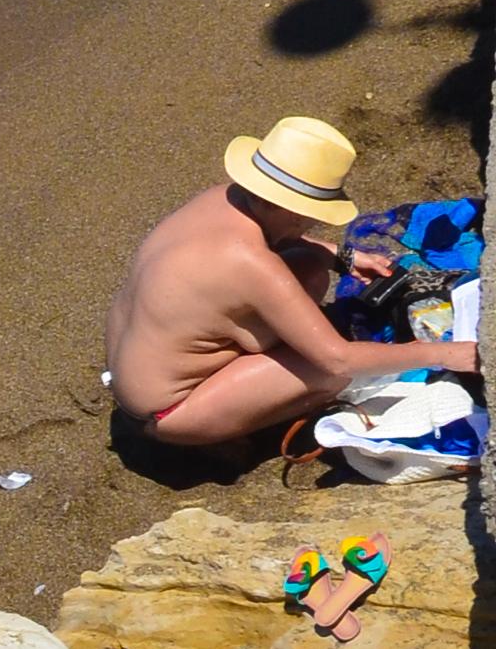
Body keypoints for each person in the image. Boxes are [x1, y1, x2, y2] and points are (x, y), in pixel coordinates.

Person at [107, 117, 479, 455]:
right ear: (287, 207)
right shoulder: (251, 264)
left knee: (311, 268)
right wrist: (443, 354)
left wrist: (343, 256)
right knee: (331, 373)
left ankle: (235, 399)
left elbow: (280, 243)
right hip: (167, 412)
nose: (309, 227)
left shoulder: (220, 199)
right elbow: (338, 357)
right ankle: (203, 437)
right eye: (309, 217)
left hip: (135, 375)